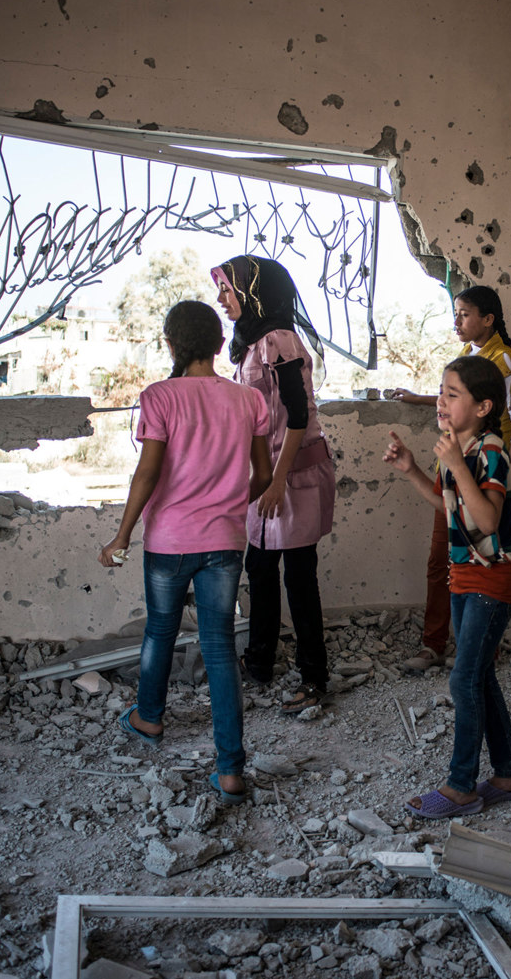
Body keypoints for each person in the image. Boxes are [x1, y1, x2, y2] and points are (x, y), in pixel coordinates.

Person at [98, 300, 273, 805]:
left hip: (169, 541)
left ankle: (149, 717)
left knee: (161, 630)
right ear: (220, 346)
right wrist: (227, 505)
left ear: (171, 345)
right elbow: (261, 474)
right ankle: (231, 769)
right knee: (219, 647)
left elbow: (148, 474)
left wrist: (122, 535)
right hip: (224, 542)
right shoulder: (248, 400)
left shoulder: (159, 397)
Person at [383, 356, 511, 818]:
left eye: (452, 394)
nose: (441, 402)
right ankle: (509, 775)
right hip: (464, 577)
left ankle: (462, 786)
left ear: (484, 406)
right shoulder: (455, 448)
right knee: (479, 675)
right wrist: (412, 468)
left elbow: (487, 520)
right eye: (441, 391)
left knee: (463, 677)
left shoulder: (490, 452)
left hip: (493, 579)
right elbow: (446, 505)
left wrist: (454, 463)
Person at [211, 254, 336, 716]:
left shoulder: (278, 340)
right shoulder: (252, 341)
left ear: (253, 292)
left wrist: (277, 482)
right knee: (260, 570)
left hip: (294, 474)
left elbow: (299, 416)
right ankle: (260, 661)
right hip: (269, 475)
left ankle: (314, 677)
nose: (222, 300)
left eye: (228, 289)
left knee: (299, 575)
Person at [390, 286, 511, 672]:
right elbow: (452, 400)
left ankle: (483, 649)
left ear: (488, 319)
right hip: (453, 472)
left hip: (484, 479)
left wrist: (509, 473)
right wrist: (421, 400)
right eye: (455, 313)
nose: (457, 321)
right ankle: (437, 644)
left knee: (485, 558)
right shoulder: (468, 358)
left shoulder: (505, 361)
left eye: (464, 314)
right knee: (445, 561)